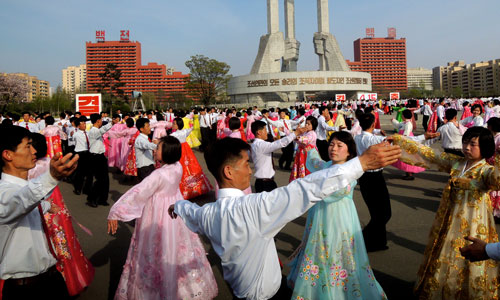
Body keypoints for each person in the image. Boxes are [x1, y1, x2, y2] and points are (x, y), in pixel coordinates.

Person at [169, 137, 401, 300]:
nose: (251, 170)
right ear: (229, 172)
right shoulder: (254, 208)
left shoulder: (207, 213)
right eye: (246, 164)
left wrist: (177, 206)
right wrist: (361, 163)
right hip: (267, 295)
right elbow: (305, 189)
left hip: (239, 292)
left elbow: (191, 213)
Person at [391, 127, 500, 299]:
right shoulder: (456, 163)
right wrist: (399, 141)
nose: (467, 147)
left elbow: (497, 178)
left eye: (473, 144)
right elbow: (429, 154)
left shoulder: (486, 171)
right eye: (465, 142)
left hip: (474, 221)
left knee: (470, 256)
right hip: (449, 218)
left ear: (485, 147)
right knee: (445, 251)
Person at [107, 136, 218, 300]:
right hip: (175, 210)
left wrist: (115, 211)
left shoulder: (158, 175)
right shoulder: (177, 166)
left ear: (166, 152)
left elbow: (138, 192)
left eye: (158, 148)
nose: (155, 149)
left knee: (156, 250)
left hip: (158, 215)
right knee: (177, 247)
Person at [287, 131, 387, 299]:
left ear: (349, 152)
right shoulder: (327, 165)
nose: (333, 148)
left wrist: (308, 188)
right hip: (321, 214)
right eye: (332, 144)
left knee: (337, 250)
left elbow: (337, 192)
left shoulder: (351, 170)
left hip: (340, 218)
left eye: (340, 146)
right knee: (320, 248)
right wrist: (309, 146)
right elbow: (313, 162)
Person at [0, 126, 78, 300]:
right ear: (8, 155)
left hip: (50, 277)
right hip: (25, 289)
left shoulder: (24, 189)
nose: (34, 151)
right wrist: (52, 176)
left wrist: (47, 206)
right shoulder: (4, 193)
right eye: (28, 146)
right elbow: (19, 201)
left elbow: (27, 199)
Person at [28, 133, 94, 296]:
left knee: (46, 243)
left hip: (41, 207)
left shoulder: (30, 167)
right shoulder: (50, 162)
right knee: (64, 241)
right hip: (56, 203)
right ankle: (74, 277)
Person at [250, 120, 303, 193]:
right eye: (265, 130)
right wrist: (295, 133)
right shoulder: (261, 145)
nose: (267, 132)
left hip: (264, 181)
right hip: (265, 183)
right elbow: (280, 143)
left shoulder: (255, 144)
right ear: (259, 132)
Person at [171, 118, 213, 199]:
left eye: (174, 123)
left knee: (180, 168)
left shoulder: (173, 135)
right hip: (187, 151)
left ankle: (184, 191)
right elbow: (191, 128)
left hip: (178, 151)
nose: (173, 125)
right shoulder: (185, 131)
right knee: (192, 167)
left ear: (178, 125)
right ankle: (197, 187)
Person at [391, 109, 426, 180]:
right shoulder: (405, 123)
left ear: (404, 116)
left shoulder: (408, 124)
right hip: (403, 140)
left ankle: (409, 173)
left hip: (406, 141)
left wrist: (402, 140)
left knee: (407, 157)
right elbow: (398, 125)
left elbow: (406, 134)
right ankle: (408, 172)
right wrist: (393, 121)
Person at [87, 113, 112, 207]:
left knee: (105, 179)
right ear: (97, 121)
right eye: (101, 120)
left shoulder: (97, 130)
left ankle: (102, 199)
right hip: (95, 157)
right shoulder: (93, 131)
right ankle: (92, 198)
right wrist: (111, 124)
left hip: (101, 156)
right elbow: (102, 131)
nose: (102, 121)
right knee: (99, 179)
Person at [289, 116, 318, 182]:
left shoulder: (312, 134)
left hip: (307, 155)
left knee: (307, 169)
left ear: (313, 126)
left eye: (309, 124)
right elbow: (298, 138)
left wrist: (298, 138)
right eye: (306, 123)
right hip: (301, 154)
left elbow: (306, 140)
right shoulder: (305, 132)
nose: (306, 125)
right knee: (300, 167)